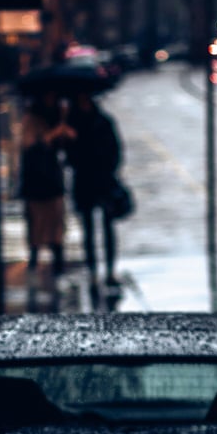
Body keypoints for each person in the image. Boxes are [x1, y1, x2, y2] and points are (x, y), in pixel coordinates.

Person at [62, 91, 123, 306]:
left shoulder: (104, 121)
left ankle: (109, 269)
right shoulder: (70, 123)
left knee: (107, 228)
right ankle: (92, 269)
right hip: (84, 182)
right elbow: (67, 155)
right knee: (88, 229)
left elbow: (116, 150)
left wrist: (109, 169)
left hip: (103, 180)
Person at [18, 93, 71, 288]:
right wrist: (51, 135)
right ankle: (34, 263)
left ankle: (58, 266)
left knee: (56, 226)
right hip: (36, 182)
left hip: (53, 182)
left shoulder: (59, 117)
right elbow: (30, 146)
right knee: (37, 228)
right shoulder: (31, 119)